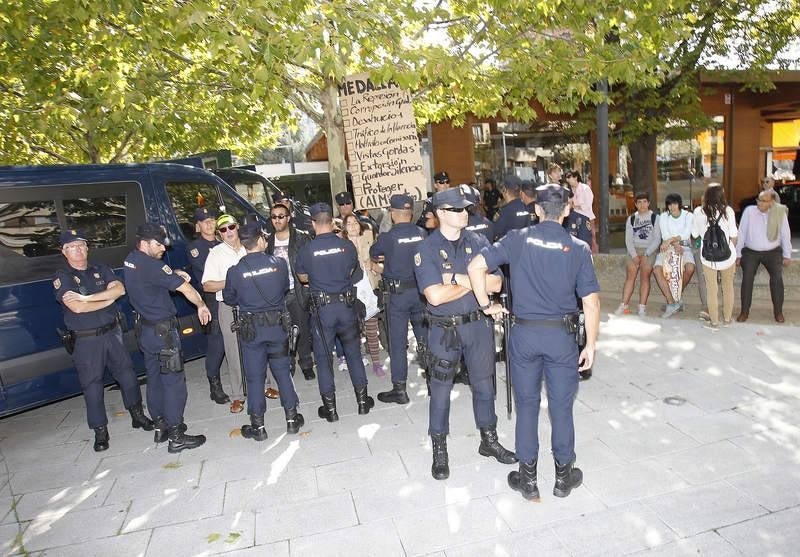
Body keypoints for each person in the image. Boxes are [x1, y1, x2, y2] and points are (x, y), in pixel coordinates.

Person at [467, 184, 601, 501]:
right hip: (561, 338)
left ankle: (528, 480)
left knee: (527, 407)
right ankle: (563, 478)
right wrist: (591, 344)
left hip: (524, 335)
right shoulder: (578, 247)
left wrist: (487, 305)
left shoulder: (517, 239)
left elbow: (476, 266)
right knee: (561, 408)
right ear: (567, 210)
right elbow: (591, 303)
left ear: (537, 209)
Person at [413, 185, 517, 481]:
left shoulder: (478, 239)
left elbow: (497, 285)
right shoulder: (426, 248)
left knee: (485, 388)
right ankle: (440, 449)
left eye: (466, 209)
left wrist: (456, 278)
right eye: (458, 209)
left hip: (477, 326)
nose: (465, 213)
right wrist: (475, 280)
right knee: (441, 393)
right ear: (441, 214)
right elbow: (433, 296)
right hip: (443, 331)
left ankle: (489, 439)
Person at [53, 230, 153, 452]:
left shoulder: (101, 269)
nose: (78, 250)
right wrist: (106, 300)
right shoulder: (63, 276)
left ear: (87, 248)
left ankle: (138, 415)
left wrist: (88, 298)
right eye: (71, 247)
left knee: (128, 376)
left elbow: (119, 289)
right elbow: (76, 307)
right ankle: (100, 431)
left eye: (81, 245)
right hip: (86, 341)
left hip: (112, 334)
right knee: (92, 387)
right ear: (64, 251)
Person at [124, 223, 209, 453]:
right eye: (158, 244)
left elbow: (155, 281)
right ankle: (176, 435)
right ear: (144, 242)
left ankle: (160, 426)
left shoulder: (131, 260)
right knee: (173, 383)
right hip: (163, 333)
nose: (163, 248)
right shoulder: (152, 266)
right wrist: (201, 305)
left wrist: (172, 274)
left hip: (145, 330)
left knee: (154, 379)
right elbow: (185, 289)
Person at [222, 222, 304, 440]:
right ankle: (292, 418)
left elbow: (229, 298)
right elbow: (285, 289)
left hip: (252, 332)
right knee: (282, 373)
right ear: (259, 240)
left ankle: (258, 427)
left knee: (255, 378)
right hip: (277, 328)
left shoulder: (235, 271)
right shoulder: (278, 263)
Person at [295, 203, 375, 421]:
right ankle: (362, 402)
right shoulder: (347, 246)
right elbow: (352, 272)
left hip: (322, 311)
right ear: (331, 222)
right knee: (354, 353)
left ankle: (330, 410)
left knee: (322, 359)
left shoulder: (306, 250)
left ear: (313, 223)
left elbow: (302, 278)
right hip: (346, 307)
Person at [370, 194, 428, 404]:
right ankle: (433, 382)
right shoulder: (422, 233)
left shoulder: (387, 237)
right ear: (411, 213)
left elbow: (374, 254)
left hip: (398, 296)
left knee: (398, 342)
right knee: (424, 339)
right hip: (421, 294)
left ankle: (400, 389)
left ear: (393, 214)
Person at [201, 214, 251, 412]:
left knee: (260, 344)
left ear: (237, 227)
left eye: (231, 227)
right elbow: (207, 285)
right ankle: (238, 395)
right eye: (223, 230)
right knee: (233, 352)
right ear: (219, 234)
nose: (228, 232)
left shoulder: (250, 246)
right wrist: (233, 280)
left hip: (253, 304)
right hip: (228, 307)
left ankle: (269, 385)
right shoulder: (216, 253)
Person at [265, 203, 316, 380]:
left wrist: (311, 282)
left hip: (298, 291)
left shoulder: (302, 238)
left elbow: (311, 260)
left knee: (302, 330)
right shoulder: (267, 241)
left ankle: (307, 364)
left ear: (288, 218)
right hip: (277, 295)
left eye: (281, 216)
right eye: (274, 217)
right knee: (282, 333)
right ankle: (289, 364)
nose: (277, 220)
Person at [186, 207, 230, 404]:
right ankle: (214, 384)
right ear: (198, 226)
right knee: (217, 342)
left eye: (212, 219)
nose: (210, 224)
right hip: (212, 299)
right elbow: (210, 273)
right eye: (205, 221)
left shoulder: (224, 240)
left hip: (231, 293)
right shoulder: (196, 248)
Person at [736, 189, 792, 323]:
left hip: (773, 251)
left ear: (771, 202)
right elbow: (742, 232)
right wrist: (738, 254)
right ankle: (744, 312)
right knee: (747, 277)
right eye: (758, 200)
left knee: (777, 278)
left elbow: (785, 233)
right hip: (751, 251)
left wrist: (787, 254)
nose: (759, 203)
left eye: (763, 201)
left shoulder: (779, 212)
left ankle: (778, 312)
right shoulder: (749, 211)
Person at [342, 213, 384, 377]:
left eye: (355, 222)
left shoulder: (370, 238)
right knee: (353, 330)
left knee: (372, 328)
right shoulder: (342, 245)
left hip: (370, 288)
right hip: (352, 291)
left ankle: (376, 362)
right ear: (345, 228)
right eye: (349, 223)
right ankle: (357, 361)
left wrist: (373, 265)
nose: (353, 225)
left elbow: (381, 262)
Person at [691, 184, 738, 330]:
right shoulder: (728, 211)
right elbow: (734, 236)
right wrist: (729, 249)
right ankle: (728, 319)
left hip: (708, 257)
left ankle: (714, 322)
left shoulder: (698, 212)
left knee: (712, 289)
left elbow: (694, 235)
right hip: (728, 256)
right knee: (728, 287)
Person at [617, 193, 660, 316]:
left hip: (649, 250)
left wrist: (646, 254)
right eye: (639, 202)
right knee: (630, 276)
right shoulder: (631, 219)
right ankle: (623, 305)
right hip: (634, 249)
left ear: (648, 203)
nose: (642, 205)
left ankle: (642, 307)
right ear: (635, 204)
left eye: (644, 201)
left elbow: (657, 239)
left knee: (645, 276)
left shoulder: (655, 218)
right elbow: (628, 240)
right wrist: (634, 255)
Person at [653, 193, 695, 318]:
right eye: (669, 205)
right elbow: (665, 235)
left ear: (680, 204)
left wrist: (674, 241)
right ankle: (671, 303)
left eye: (675, 204)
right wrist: (674, 242)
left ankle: (676, 298)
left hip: (684, 247)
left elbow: (687, 234)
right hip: (667, 248)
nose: (672, 207)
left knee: (690, 268)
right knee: (656, 270)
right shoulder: (663, 216)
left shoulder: (688, 215)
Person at [565, 170, 598, 253]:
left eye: (569, 177)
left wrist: (574, 205)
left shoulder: (585, 188)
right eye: (566, 178)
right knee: (574, 242)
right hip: (573, 218)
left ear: (576, 177)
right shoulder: (569, 190)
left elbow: (587, 205)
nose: (568, 179)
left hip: (586, 217)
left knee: (588, 241)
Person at [493, 174, 531, 241]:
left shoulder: (504, 211)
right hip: (525, 248)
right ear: (520, 191)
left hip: (508, 249)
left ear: (504, 190)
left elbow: (494, 232)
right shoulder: (527, 208)